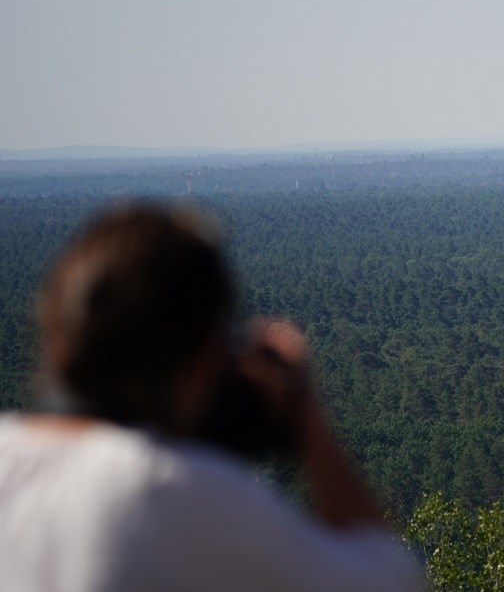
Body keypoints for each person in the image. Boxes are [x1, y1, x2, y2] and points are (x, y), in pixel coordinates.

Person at [0, 204, 423, 591]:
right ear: (205, 358)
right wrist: (304, 415)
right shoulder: (174, 489)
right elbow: (390, 580)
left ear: (55, 335)